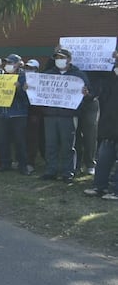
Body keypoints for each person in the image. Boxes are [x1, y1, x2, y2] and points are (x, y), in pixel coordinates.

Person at [38, 47, 91, 183]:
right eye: (57, 58)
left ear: (69, 59)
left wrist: (86, 92)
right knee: (50, 144)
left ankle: (68, 172)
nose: (59, 60)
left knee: (68, 145)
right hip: (50, 115)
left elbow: (89, 93)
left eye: (62, 58)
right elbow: (38, 89)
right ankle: (51, 171)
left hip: (68, 115)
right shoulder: (48, 74)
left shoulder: (78, 75)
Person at [84, 58, 118, 199]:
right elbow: (97, 94)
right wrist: (88, 95)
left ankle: (115, 191)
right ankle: (100, 187)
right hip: (109, 128)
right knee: (103, 160)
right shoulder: (110, 81)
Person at [0, 54, 30, 174]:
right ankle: (5, 163)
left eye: (11, 63)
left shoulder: (24, 77)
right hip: (2, 113)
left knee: (20, 141)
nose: (8, 66)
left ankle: (23, 165)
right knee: (3, 140)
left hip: (18, 114)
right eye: (7, 63)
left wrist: (20, 88)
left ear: (18, 64)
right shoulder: (0, 76)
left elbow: (28, 99)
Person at [23, 59, 45, 167]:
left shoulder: (41, 80)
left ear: (36, 69)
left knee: (34, 138)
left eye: (31, 68)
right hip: (23, 113)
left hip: (36, 113)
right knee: (25, 138)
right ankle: (25, 160)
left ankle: (31, 161)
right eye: (27, 68)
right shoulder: (22, 79)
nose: (28, 70)